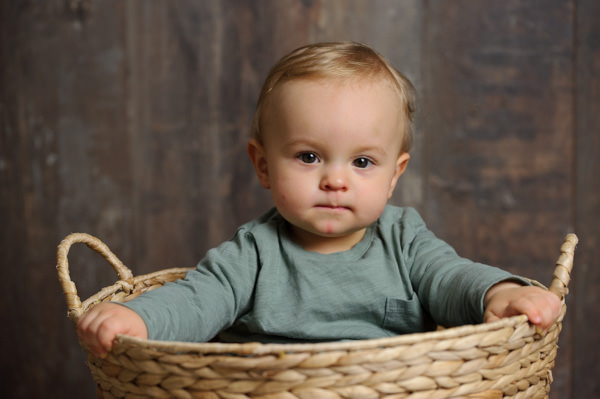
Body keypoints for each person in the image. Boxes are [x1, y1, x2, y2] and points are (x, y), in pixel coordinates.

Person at [77, 42, 561, 358]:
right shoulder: (255, 252)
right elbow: (197, 301)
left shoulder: (404, 240)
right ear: (263, 165)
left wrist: (498, 294)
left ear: (395, 176)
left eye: (363, 163)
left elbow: (452, 278)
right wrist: (139, 317)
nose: (335, 180)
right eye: (309, 157)